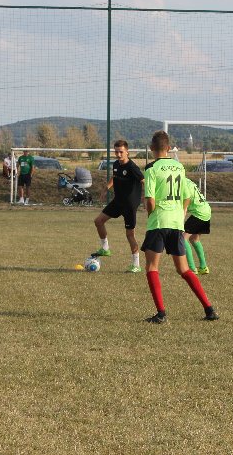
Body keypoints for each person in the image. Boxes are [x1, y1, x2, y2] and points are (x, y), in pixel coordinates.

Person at [140, 130, 218, 323]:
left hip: (159, 222)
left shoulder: (151, 169)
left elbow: (150, 200)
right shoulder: (179, 167)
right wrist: (180, 214)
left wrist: (151, 215)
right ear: (169, 148)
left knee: (151, 267)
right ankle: (209, 309)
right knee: (184, 269)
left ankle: (161, 314)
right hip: (176, 222)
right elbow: (186, 195)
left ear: (151, 148)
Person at [91, 140, 145, 273]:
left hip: (129, 205)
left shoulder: (132, 167)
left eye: (121, 152)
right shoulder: (116, 164)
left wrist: (146, 197)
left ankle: (136, 265)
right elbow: (115, 177)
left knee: (129, 235)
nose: (118, 154)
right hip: (118, 202)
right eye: (116, 152)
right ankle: (105, 248)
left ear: (127, 152)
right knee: (98, 221)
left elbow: (144, 181)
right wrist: (106, 188)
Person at [183, 177, 212, 274]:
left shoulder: (181, 183)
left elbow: (186, 202)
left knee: (182, 239)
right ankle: (203, 267)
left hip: (198, 213)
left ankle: (192, 268)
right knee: (194, 239)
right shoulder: (188, 181)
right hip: (206, 210)